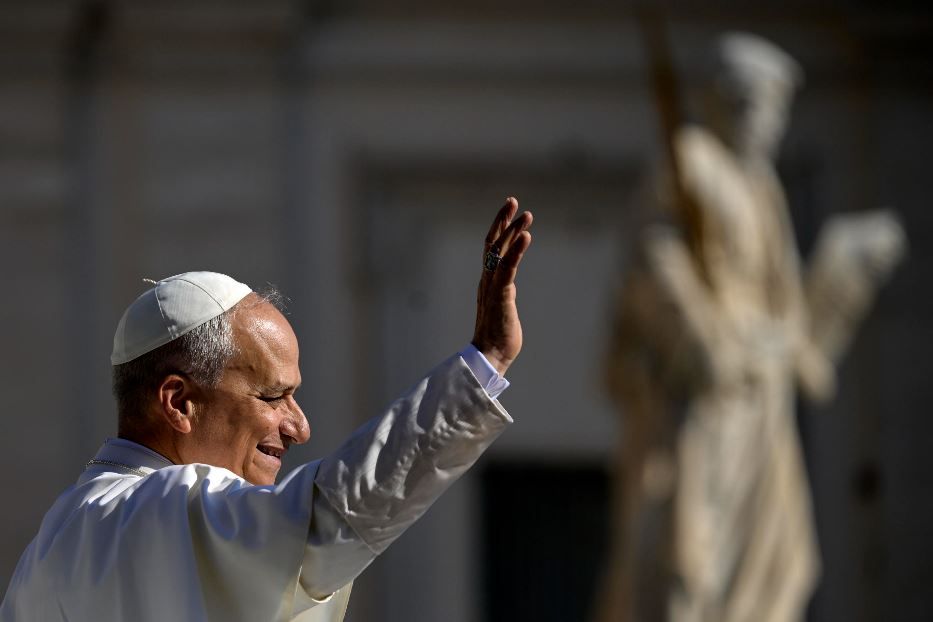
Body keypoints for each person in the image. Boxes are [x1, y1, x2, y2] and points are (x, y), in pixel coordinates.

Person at [0, 198, 533, 622]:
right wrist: (483, 361)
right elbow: (334, 516)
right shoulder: (173, 507)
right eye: (273, 396)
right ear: (179, 402)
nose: (300, 427)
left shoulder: (45, 552)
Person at [597, 34, 904, 622]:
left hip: (760, 393)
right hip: (708, 395)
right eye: (769, 107)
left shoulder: (760, 182)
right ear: (729, 102)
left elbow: (778, 292)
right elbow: (655, 257)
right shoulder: (691, 163)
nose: (776, 124)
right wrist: (701, 336)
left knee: (780, 560)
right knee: (691, 547)